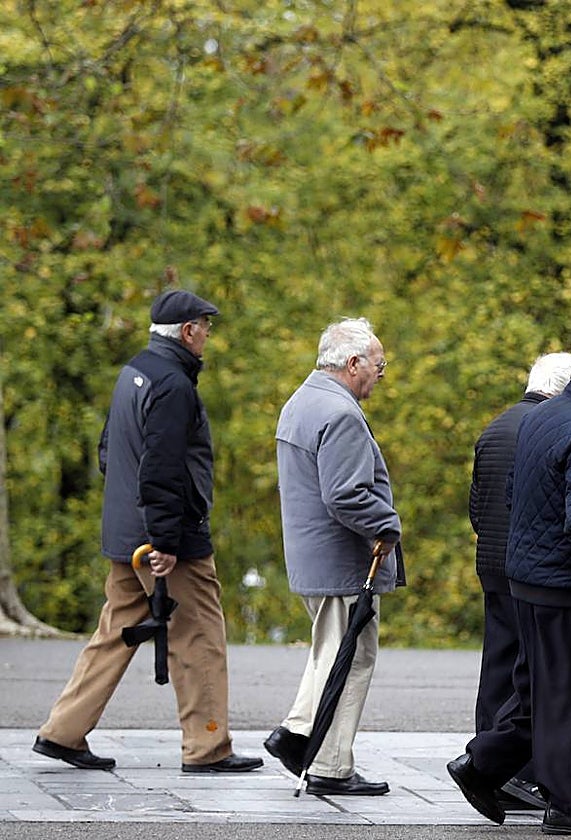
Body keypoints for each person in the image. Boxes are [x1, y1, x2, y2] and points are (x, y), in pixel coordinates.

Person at [33, 289, 263, 774]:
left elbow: (108, 451)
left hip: (126, 531)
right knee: (199, 635)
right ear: (187, 331)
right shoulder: (174, 386)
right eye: (205, 326)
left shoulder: (133, 372)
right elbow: (161, 469)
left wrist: (134, 522)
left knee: (116, 631)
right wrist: (165, 540)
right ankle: (208, 747)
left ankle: (63, 731)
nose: (208, 335)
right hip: (164, 540)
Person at [447, 331, 571, 837]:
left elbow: (513, 495)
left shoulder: (540, 419)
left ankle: (481, 767)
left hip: (525, 582)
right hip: (562, 588)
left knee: (537, 693)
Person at [264, 317, 402, 796]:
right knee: (352, 657)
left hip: (312, 558)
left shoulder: (301, 401)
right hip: (341, 561)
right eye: (379, 366)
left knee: (333, 652)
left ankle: (301, 736)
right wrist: (388, 525)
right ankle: (326, 761)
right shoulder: (339, 413)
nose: (381, 375)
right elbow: (345, 495)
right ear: (353, 363)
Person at [469, 351, 571, 813]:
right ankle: (519, 775)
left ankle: (485, 766)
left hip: (490, 562)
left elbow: (477, 502)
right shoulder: (546, 430)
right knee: (532, 673)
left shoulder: (495, 426)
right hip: (528, 570)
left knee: (497, 667)